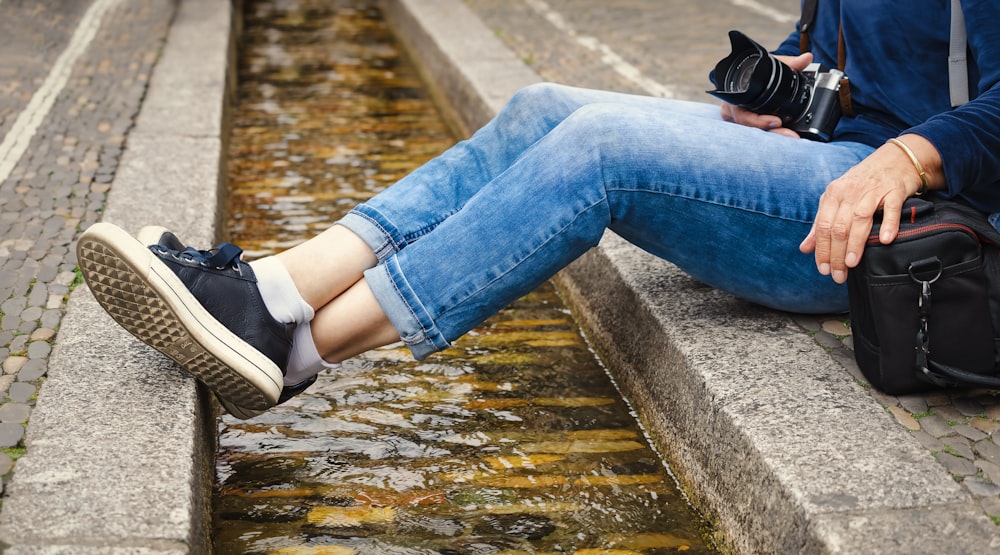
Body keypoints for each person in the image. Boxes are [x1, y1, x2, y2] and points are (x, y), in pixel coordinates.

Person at [77, 0, 1000, 419]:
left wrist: (910, 151)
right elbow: (841, 47)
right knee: (545, 106)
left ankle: (299, 350)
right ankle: (275, 291)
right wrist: (791, 74)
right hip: (821, 161)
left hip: (894, 226)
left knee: (600, 152)